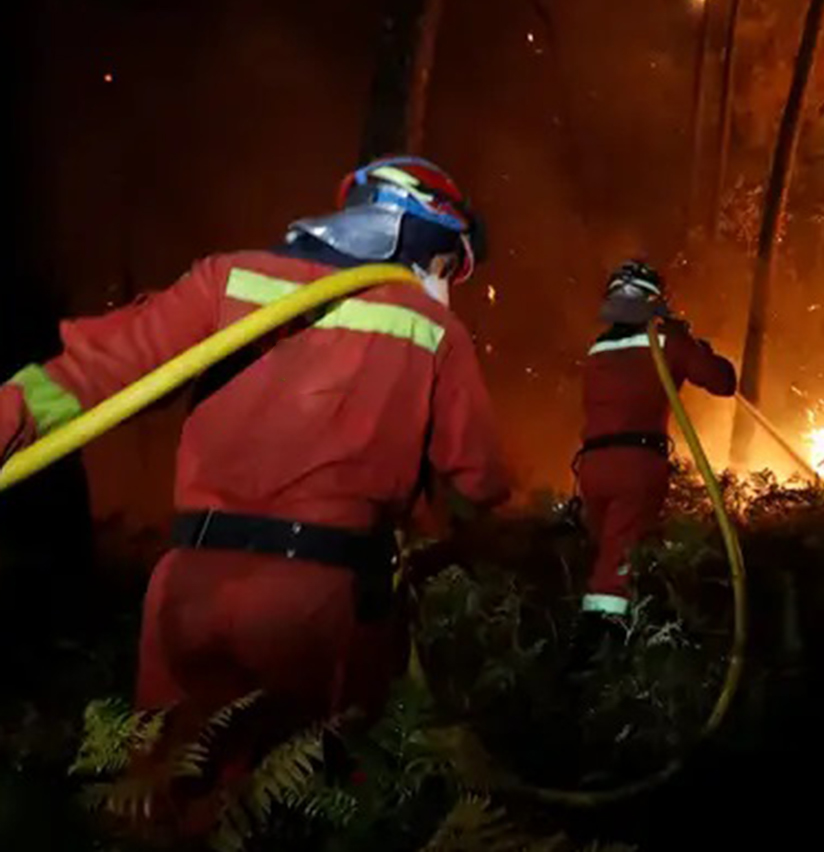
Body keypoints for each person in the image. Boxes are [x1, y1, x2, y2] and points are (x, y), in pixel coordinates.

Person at [0, 155, 510, 737]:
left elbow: (91, 373)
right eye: (447, 265)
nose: (443, 282)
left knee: (166, 793)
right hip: (320, 606)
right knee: (303, 807)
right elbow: (480, 481)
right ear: (423, 235)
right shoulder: (432, 328)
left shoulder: (229, 279)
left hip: (187, 590)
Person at [574, 260, 735, 647]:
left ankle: (611, 623)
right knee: (619, 562)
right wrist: (691, 345)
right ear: (654, 302)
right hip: (637, 465)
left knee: (607, 550)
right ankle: (599, 648)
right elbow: (723, 381)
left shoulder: (597, 348)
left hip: (591, 467)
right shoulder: (666, 343)